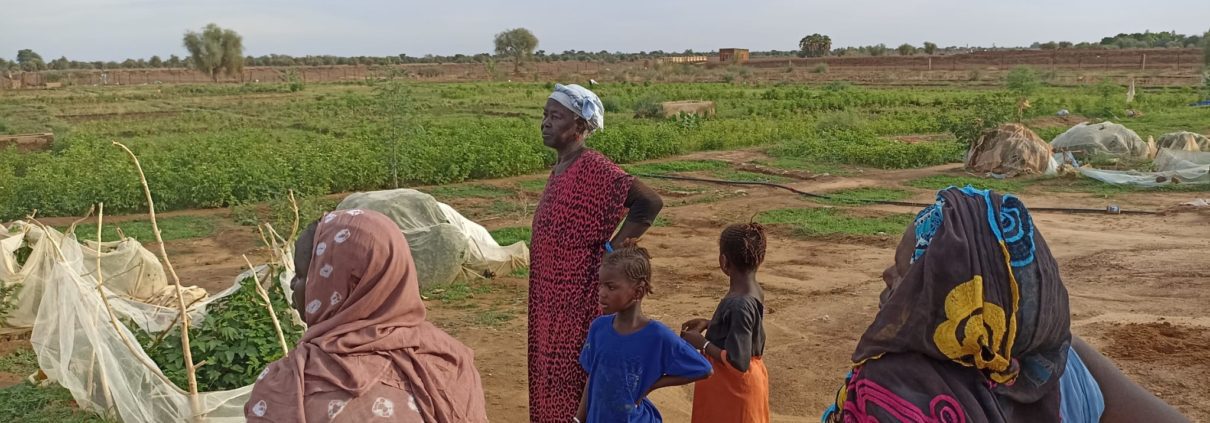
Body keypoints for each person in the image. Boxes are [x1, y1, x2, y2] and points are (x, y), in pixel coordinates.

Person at [822, 186, 1187, 423]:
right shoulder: (1061, 362)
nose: (887, 276)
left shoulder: (889, 389)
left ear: (954, 300)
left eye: (906, 272)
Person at [246, 209, 488, 422]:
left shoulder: (290, 386)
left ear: (341, 284)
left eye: (300, 276)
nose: (292, 286)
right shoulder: (448, 359)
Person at [529, 83, 664, 423]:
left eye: (556, 116)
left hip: (578, 298)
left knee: (574, 376)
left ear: (579, 127)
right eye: (545, 115)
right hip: (549, 298)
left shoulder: (594, 167)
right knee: (549, 373)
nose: (546, 122)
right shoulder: (562, 167)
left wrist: (614, 249)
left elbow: (648, 203)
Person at [575, 241, 712, 423]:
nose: (601, 293)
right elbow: (593, 375)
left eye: (611, 287)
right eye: (600, 285)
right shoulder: (598, 328)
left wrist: (651, 385)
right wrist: (578, 418)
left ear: (638, 292)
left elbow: (704, 369)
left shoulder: (657, 335)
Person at [680, 223, 771, 423]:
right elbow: (746, 329)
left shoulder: (739, 303)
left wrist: (701, 343)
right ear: (761, 259)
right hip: (745, 384)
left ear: (723, 261)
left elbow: (738, 361)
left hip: (732, 389)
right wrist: (711, 323)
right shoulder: (754, 290)